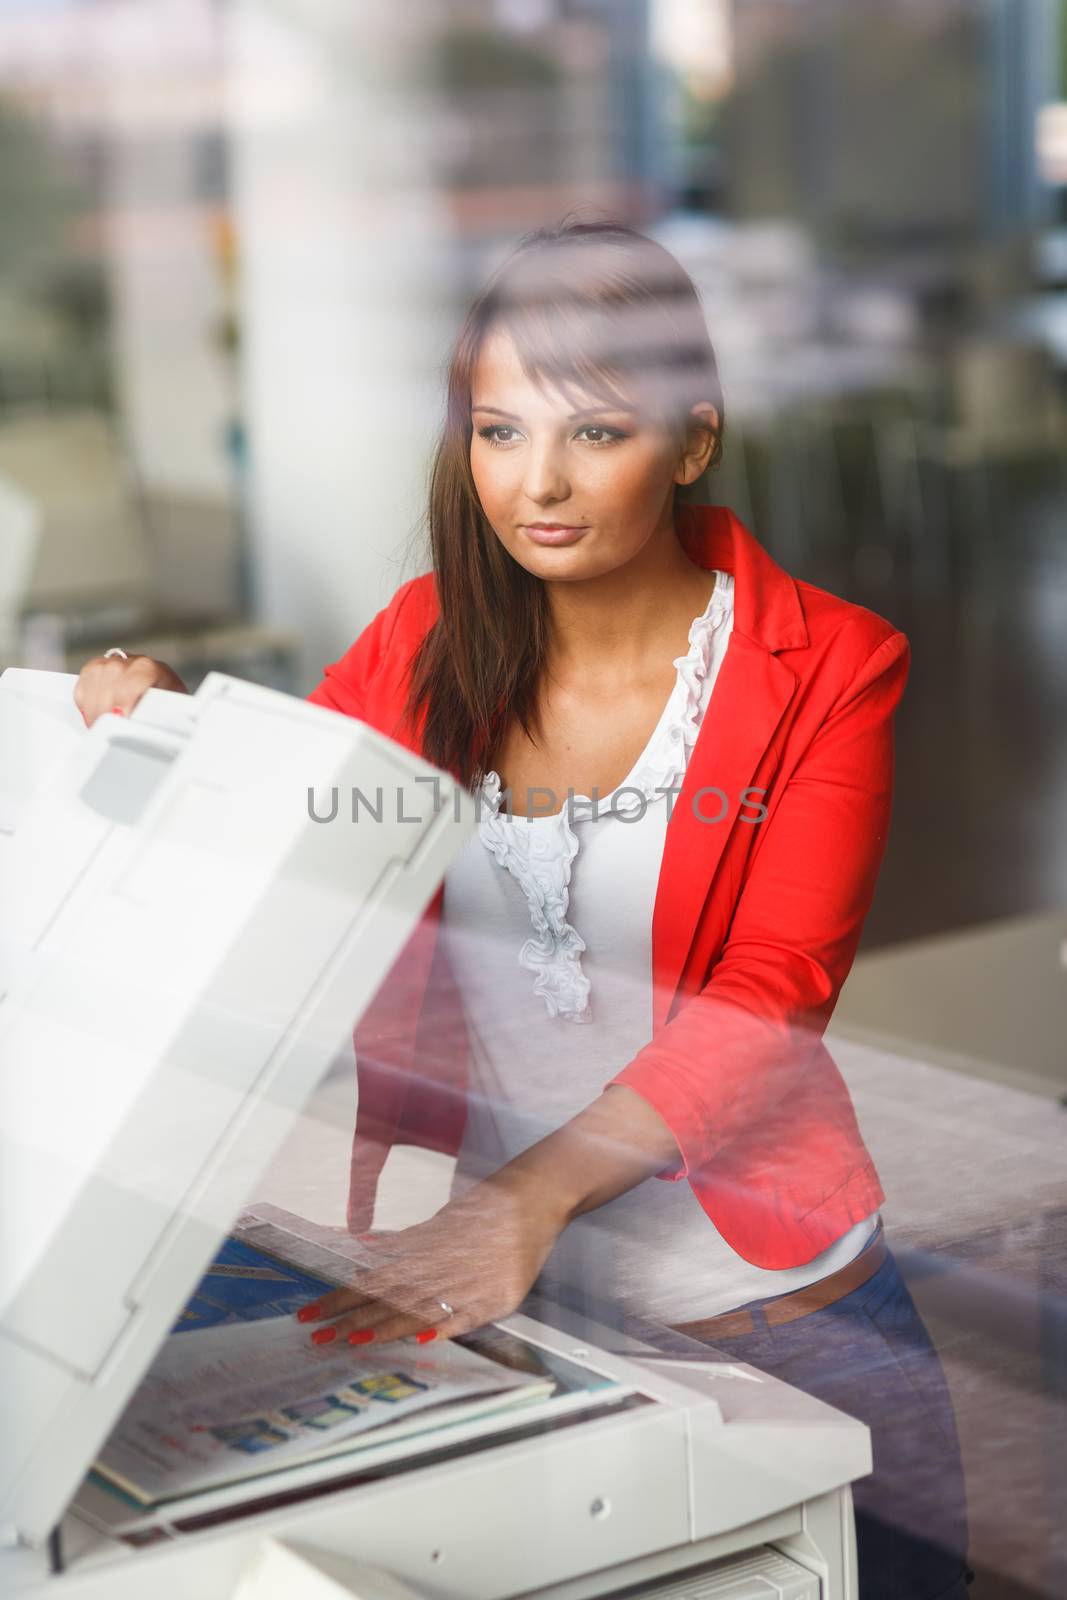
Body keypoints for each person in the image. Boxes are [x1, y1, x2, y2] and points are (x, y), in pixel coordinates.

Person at [76, 217, 970, 1599]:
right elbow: (293, 813)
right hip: (537, 1321)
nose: (535, 485)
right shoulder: (424, 643)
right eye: (499, 433)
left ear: (695, 440)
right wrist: (165, 724)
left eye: (594, 434)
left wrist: (525, 1200)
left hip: (781, 1314)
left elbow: (772, 989)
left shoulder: (831, 666)